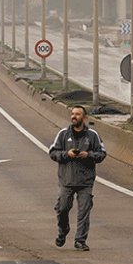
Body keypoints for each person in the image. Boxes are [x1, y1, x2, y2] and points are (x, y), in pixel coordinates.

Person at [48, 106, 106, 251]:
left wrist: (88, 155)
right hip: (66, 180)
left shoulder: (92, 135)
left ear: (84, 118)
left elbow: (102, 154)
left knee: (84, 212)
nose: (74, 116)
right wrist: (67, 154)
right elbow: (53, 152)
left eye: (77, 114)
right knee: (62, 209)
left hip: (85, 181)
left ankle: (80, 241)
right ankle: (63, 231)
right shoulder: (63, 134)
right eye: (73, 114)